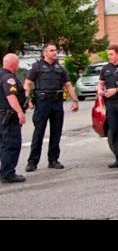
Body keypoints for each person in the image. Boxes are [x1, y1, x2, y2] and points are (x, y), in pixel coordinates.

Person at [24, 43, 79, 172]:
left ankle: (53, 160)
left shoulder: (60, 68)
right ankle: (32, 162)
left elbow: (68, 85)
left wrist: (75, 100)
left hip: (56, 103)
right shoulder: (37, 67)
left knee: (56, 132)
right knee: (39, 132)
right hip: (42, 103)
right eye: (52, 50)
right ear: (45, 53)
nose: (55, 52)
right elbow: (27, 83)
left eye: (55, 50)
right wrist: (27, 100)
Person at [0, 54, 27, 183]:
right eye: (17, 63)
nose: (18, 66)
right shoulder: (8, 78)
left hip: (2, 115)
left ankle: (4, 171)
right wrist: (19, 111)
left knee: (3, 144)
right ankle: (8, 173)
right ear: (13, 64)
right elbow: (11, 96)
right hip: (8, 116)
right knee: (11, 144)